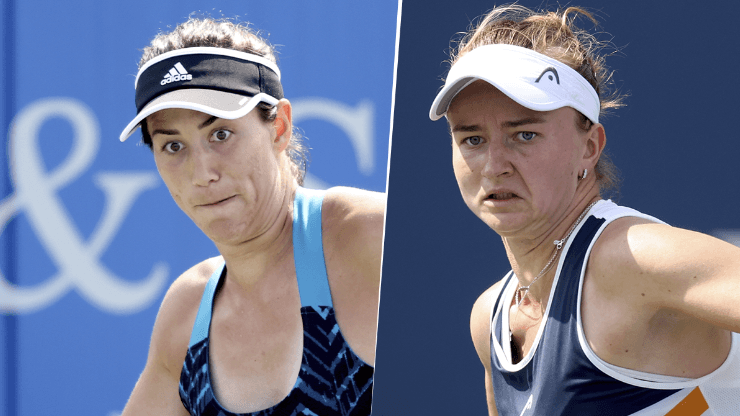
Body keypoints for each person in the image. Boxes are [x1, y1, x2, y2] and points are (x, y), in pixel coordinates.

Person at [429, 5, 740, 415]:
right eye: (472, 140)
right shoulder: (489, 317)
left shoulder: (632, 259)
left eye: (524, 134)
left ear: (589, 148)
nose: (494, 164)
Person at [117, 17, 383, 416]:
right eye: (173, 146)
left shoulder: (369, 236)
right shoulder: (187, 313)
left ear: (279, 126)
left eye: (220, 134)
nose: (202, 173)